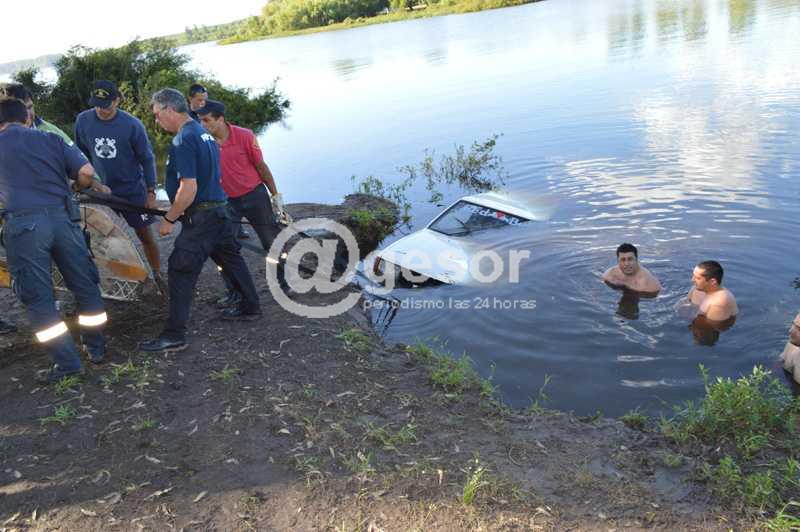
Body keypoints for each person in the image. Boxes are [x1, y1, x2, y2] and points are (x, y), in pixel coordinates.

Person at [139, 88, 261, 354]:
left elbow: (189, 187)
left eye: (158, 115)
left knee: (180, 269)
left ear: (170, 109)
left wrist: (169, 218)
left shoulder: (184, 139)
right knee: (231, 259)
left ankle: (174, 335)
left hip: (203, 217)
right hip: (219, 211)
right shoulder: (203, 133)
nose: (157, 121)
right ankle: (250, 305)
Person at [0, 98, 109, 383]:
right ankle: (96, 348)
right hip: (64, 221)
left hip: (24, 227)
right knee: (84, 283)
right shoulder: (51, 138)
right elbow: (86, 172)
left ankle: (67, 364)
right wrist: (75, 187)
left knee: (38, 297)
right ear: (26, 118)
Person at [196, 100, 291, 305]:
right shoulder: (202, 142)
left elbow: (261, 166)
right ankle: (235, 291)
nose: (202, 125)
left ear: (221, 119)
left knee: (271, 241)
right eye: (200, 121)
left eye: (206, 120)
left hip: (255, 196)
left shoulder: (245, 136)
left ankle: (283, 283)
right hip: (225, 202)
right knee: (225, 247)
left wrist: (275, 196)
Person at [74, 80, 163, 288]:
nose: (101, 110)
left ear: (116, 101)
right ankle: (122, 276)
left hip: (132, 189)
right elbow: (80, 154)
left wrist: (151, 192)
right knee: (104, 236)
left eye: (105, 105)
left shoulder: (132, 125)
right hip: (101, 191)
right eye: (97, 105)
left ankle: (157, 275)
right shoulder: (83, 120)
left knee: (144, 234)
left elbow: (147, 159)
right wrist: (89, 182)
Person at [0, 83, 73, 144]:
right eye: (20, 109)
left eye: (29, 107)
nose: (27, 114)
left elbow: (76, 155)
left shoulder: (51, 132)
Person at [780, 313, 800, 384]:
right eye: (793, 325)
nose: (790, 331)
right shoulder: (790, 346)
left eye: (799, 329)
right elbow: (776, 366)